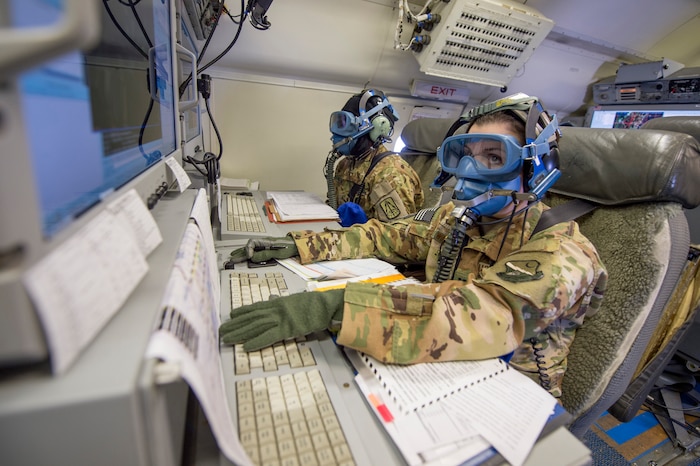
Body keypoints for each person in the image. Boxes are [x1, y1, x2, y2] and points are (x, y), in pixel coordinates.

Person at [220, 93, 608, 398]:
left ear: (535, 168)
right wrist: (302, 245)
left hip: (508, 393)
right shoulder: (456, 218)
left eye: (493, 156)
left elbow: (483, 314)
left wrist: (333, 306)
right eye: (466, 154)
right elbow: (389, 235)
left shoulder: (562, 253)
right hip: (442, 365)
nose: (471, 170)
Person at [325, 89, 424, 226]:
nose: (335, 136)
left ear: (375, 129)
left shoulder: (391, 176)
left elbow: (396, 239)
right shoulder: (345, 164)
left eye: (347, 125)